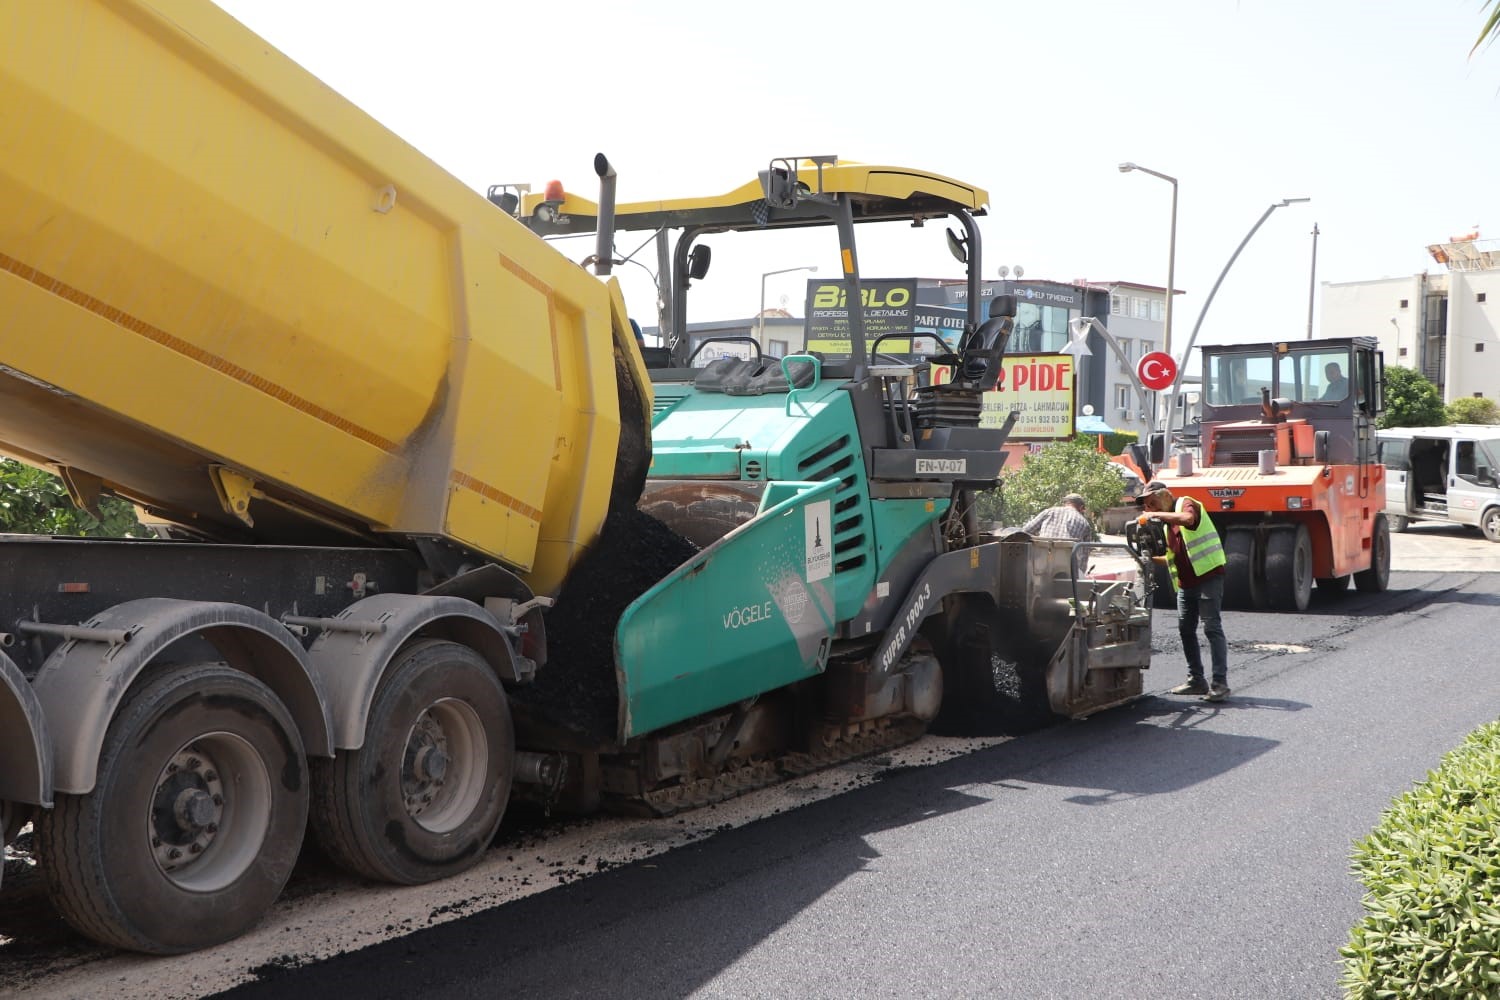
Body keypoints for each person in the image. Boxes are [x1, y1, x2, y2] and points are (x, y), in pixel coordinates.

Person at [1135, 480, 1230, 702]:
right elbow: (1171, 558)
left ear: (1165, 496)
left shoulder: (1186, 504)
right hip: (1187, 584)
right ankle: (1196, 680)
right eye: (1147, 507)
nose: (1150, 510)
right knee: (1186, 629)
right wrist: (1146, 559)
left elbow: (1189, 520)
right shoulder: (1168, 526)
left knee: (1212, 628)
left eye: (1152, 503)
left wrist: (1155, 516)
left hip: (1208, 576)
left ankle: (1220, 683)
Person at [1021, 493, 1096, 543]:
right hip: (1068, 563)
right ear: (1081, 507)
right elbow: (1085, 551)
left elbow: (1026, 531)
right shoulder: (1084, 523)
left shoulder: (1049, 511)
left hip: (1041, 560)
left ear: (1066, 503)